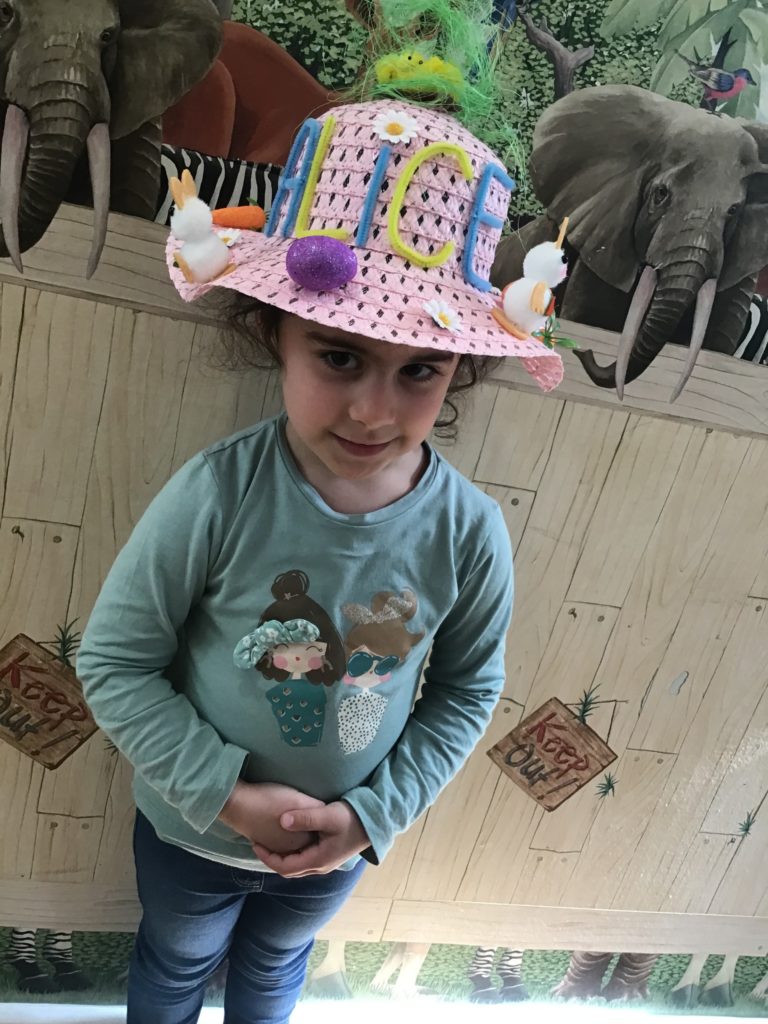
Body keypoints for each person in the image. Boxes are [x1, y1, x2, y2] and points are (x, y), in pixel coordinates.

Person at [76, 10, 563, 1022]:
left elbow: (466, 689)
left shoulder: (470, 532)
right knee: (175, 965)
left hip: (341, 849)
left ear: (460, 370)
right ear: (277, 334)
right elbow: (116, 663)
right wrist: (225, 795)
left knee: (273, 972)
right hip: (192, 834)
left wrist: (370, 817)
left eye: (420, 370)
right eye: (340, 357)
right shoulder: (218, 492)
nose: (374, 411)